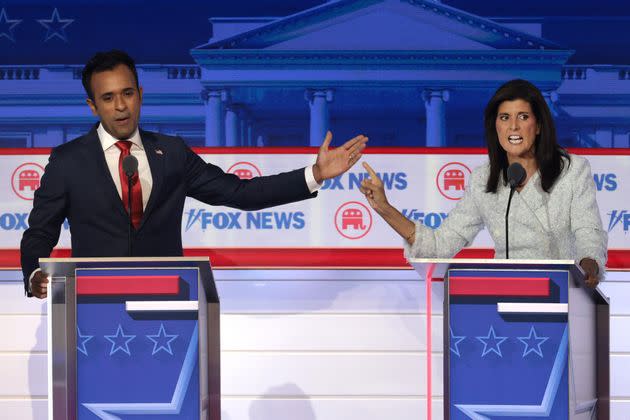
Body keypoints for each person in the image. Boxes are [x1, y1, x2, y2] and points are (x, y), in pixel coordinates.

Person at [22, 49, 368, 298]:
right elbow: (40, 231)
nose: (121, 106)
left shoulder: (171, 153)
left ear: (140, 95)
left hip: (166, 301)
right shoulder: (69, 161)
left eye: (128, 93)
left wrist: (315, 173)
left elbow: (240, 193)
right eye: (108, 97)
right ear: (92, 106)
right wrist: (35, 272)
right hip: (93, 302)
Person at [359, 79, 606, 288]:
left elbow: (588, 232)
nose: (513, 126)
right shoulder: (482, 180)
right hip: (504, 297)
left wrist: (588, 262)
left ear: (538, 125)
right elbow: (439, 246)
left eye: (523, 116)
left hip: (563, 294)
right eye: (505, 117)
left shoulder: (572, 170)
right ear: (495, 126)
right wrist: (385, 208)